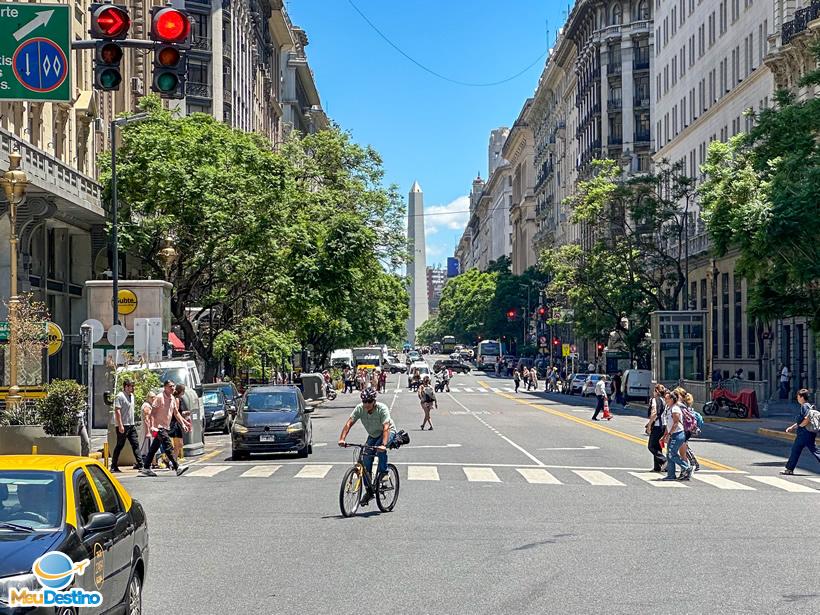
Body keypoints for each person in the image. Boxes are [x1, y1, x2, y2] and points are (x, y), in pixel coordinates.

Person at [338, 388, 396, 506]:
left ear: (374, 401)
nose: (367, 404)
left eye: (369, 401)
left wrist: (383, 445)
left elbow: (386, 428)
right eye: (364, 401)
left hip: (388, 433)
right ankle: (369, 491)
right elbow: (349, 423)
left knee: (380, 451)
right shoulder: (360, 409)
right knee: (365, 460)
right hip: (373, 435)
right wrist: (342, 439)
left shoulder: (382, 409)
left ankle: (384, 473)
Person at [140, 380, 191, 477]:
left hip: (165, 427)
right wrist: (151, 427)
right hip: (158, 427)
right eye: (170, 386)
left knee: (153, 448)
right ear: (165, 388)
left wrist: (183, 424)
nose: (172, 388)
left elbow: (176, 413)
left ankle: (146, 468)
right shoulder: (159, 397)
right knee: (168, 445)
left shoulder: (172, 398)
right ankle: (177, 467)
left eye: (173, 386)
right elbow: (152, 413)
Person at [781, 389, 820, 475]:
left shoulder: (804, 406)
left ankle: (789, 469)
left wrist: (801, 426)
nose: (797, 398)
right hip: (807, 433)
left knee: (801, 450)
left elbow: (807, 419)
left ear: (802, 397)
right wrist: (792, 427)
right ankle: (789, 469)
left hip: (804, 433)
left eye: (798, 396)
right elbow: (802, 420)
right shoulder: (808, 405)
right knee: (797, 450)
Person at [111, 379, 143, 473]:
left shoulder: (132, 396)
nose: (132, 388)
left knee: (135, 444)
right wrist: (120, 425)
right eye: (130, 386)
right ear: (125, 387)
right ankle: (113, 466)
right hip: (123, 425)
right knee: (120, 445)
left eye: (133, 386)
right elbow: (117, 411)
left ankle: (141, 465)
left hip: (131, 425)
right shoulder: (120, 396)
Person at [662, 390, 692, 481]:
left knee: (672, 454)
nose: (665, 400)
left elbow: (675, 423)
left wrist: (669, 435)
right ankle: (671, 475)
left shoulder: (675, 409)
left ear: (672, 399)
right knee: (669, 454)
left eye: (667, 399)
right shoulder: (669, 408)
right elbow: (669, 424)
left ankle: (686, 467)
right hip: (672, 434)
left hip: (678, 434)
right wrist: (665, 435)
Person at [674, 387, 700, 472]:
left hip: (684, 429)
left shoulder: (680, 405)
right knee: (684, 447)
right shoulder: (683, 405)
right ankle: (693, 464)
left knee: (681, 449)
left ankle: (690, 466)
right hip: (686, 429)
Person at [645, 384, 668, 473]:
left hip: (657, 425)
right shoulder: (664, 400)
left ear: (657, 392)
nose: (653, 393)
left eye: (654, 391)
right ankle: (657, 467)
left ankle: (664, 460)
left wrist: (650, 424)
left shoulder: (655, 400)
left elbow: (654, 412)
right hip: (664, 425)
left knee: (651, 446)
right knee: (657, 446)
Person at [170, 384, 191, 462]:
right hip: (174, 423)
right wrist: (185, 423)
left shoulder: (177, 399)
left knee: (179, 444)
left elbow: (178, 413)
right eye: (183, 391)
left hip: (176, 422)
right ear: (181, 391)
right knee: (178, 444)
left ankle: (173, 460)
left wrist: (185, 422)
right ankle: (172, 460)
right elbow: (176, 414)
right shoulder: (177, 400)